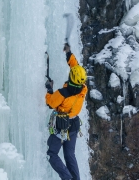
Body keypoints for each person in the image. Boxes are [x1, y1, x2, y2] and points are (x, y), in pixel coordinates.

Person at [45, 43, 88, 180]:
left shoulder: (63, 93)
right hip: (74, 125)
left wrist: (49, 89)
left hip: (61, 126)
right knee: (70, 155)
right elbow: (76, 68)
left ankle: (67, 178)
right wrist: (69, 54)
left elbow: (50, 103)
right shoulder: (83, 89)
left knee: (52, 154)